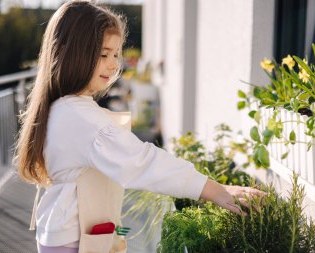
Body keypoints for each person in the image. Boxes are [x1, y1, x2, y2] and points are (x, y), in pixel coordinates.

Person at [14, 1, 265, 252]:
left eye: (116, 54)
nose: (114, 64)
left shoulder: (65, 109)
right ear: (72, 54)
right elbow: (143, 162)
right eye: (103, 54)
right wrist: (215, 190)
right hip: (75, 240)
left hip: (64, 234)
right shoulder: (81, 118)